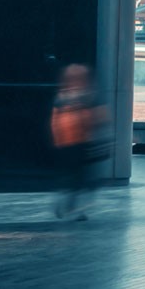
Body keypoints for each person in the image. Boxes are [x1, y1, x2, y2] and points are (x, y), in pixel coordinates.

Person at [49, 65, 104, 222]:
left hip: (67, 143)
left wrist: (58, 140)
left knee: (72, 176)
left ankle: (65, 202)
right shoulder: (88, 96)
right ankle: (75, 209)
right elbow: (99, 117)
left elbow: (55, 122)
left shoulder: (62, 97)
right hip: (83, 141)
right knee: (85, 179)